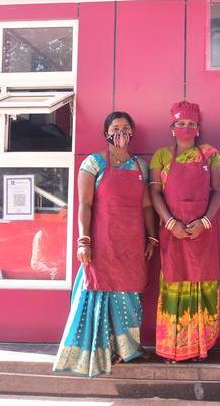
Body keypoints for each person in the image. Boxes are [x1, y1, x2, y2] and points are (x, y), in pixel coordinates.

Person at [53, 111, 157, 377]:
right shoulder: (93, 163)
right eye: (115, 128)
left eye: (125, 128)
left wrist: (152, 237)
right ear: (105, 134)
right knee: (101, 290)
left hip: (132, 242)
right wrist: (84, 241)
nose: (120, 132)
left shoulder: (141, 166)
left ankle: (129, 349)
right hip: (102, 243)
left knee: (130, 293)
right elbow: (85, 204)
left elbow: (147, 205)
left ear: (132, 133)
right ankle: (104, 350)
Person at [149, 101, 220, 363]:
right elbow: (154, 194)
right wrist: (171, 223)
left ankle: (201, 346)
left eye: (192, 124)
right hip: (172, 232)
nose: (186, 128)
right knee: (174, 281)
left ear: (199, 128)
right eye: (181, 123)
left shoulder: (211, 154)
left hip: (204, 231)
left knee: (204, 282)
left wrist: (205, 222)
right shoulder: (161, 156)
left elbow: (218, 191)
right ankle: (174, 348)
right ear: (172, 128)